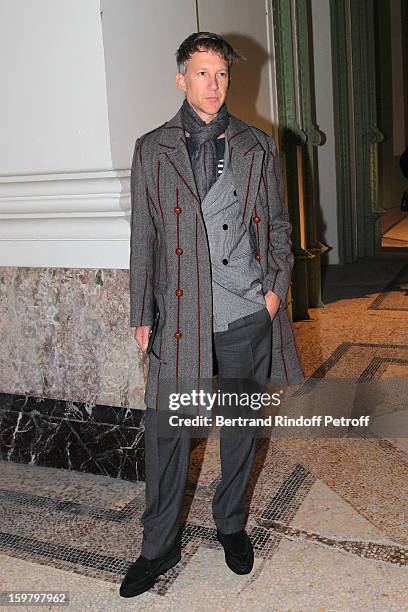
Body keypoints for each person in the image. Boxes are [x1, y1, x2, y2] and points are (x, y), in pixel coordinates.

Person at [120, 32, 305, 598]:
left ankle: (230, 526)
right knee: (167, 433)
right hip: (178, 316)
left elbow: (277, 224)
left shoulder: (257, 144)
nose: (213, 85)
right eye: (202, 73)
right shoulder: (152, 148)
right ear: (181, 79)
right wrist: (140, 309)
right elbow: (144, 237)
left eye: (221, 74)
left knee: (241, 429)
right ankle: (158, 546)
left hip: (246, 312)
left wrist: (273, 291)